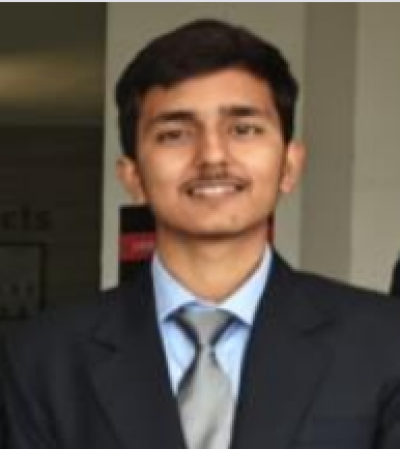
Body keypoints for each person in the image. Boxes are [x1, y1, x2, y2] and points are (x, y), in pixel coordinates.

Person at [2, 18, 400, 449]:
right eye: (174, 134)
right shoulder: (44, 356)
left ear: (289, 165)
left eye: (243, 129)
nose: (212, 156)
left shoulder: (384, 339)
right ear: (133, 176)